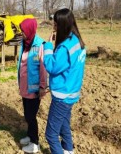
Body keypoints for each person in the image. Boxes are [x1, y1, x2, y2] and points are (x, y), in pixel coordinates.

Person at [43, 8, 86, 154]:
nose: (54, 28)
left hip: (62, 96)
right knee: (64, 125)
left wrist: (48, 47)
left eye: (55, 25)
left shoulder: (65, 48)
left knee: (51, 134)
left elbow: (52, 66)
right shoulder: (77, 41)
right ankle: (68, 150)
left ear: (62, 25)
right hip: (72, 93)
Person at [17, 18, 47, 153]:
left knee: (31, 116)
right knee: (27, 114)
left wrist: (42, 86)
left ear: (29, 30)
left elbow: (43, 68)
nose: (21, 33)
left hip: (34, 89)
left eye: (23, 31)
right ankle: (30, 136)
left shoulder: (40, 45)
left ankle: (35, 143)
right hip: (24, 86)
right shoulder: (24, 43)